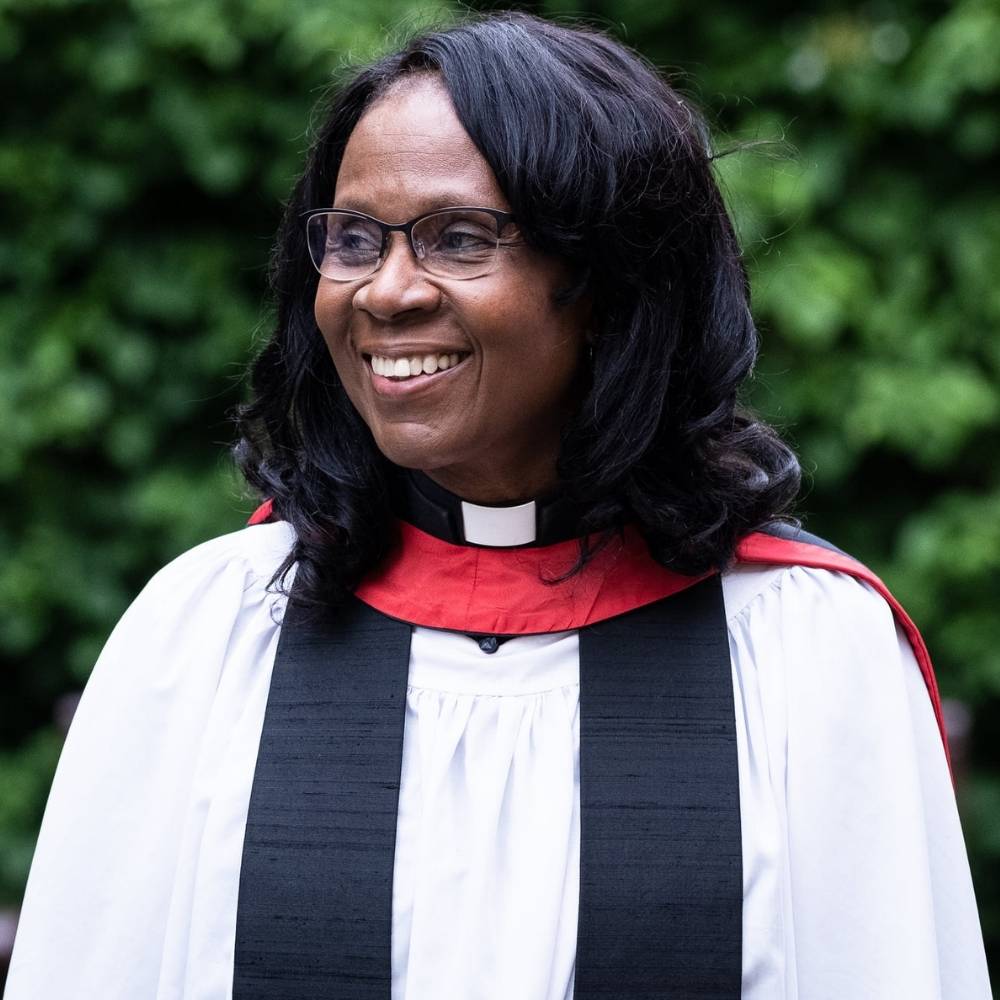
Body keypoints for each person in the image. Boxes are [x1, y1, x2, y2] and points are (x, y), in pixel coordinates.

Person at [4, 12, 992, 1000]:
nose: (385, 292)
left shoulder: (803, 652)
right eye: (354, 239)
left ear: (607, 279)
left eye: (459, 238)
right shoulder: (212, 636)